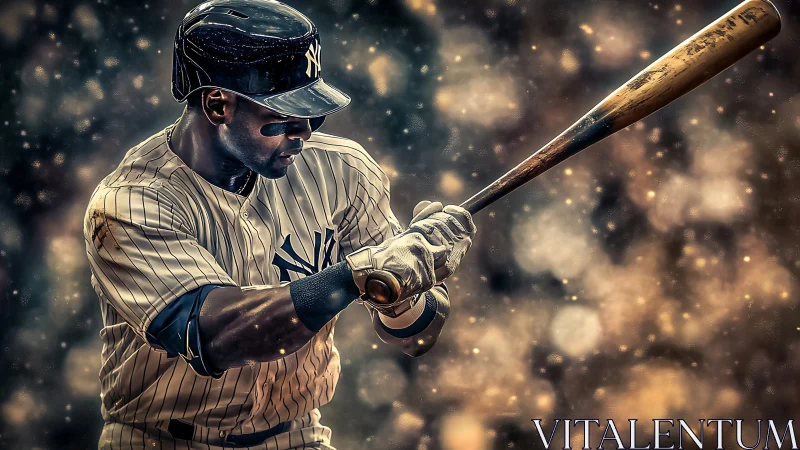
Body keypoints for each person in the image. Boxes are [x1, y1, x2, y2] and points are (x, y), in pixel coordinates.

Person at [83, 1, 476, 448]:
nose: (304, 132)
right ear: (217, 104)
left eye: (314, 113)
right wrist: (351, 278)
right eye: (284, 116)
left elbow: (416, 338)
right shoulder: (129, 203)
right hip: (162, 441)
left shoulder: (343, 171)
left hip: (299, 436)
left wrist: (413, 278)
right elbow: (221, 337)